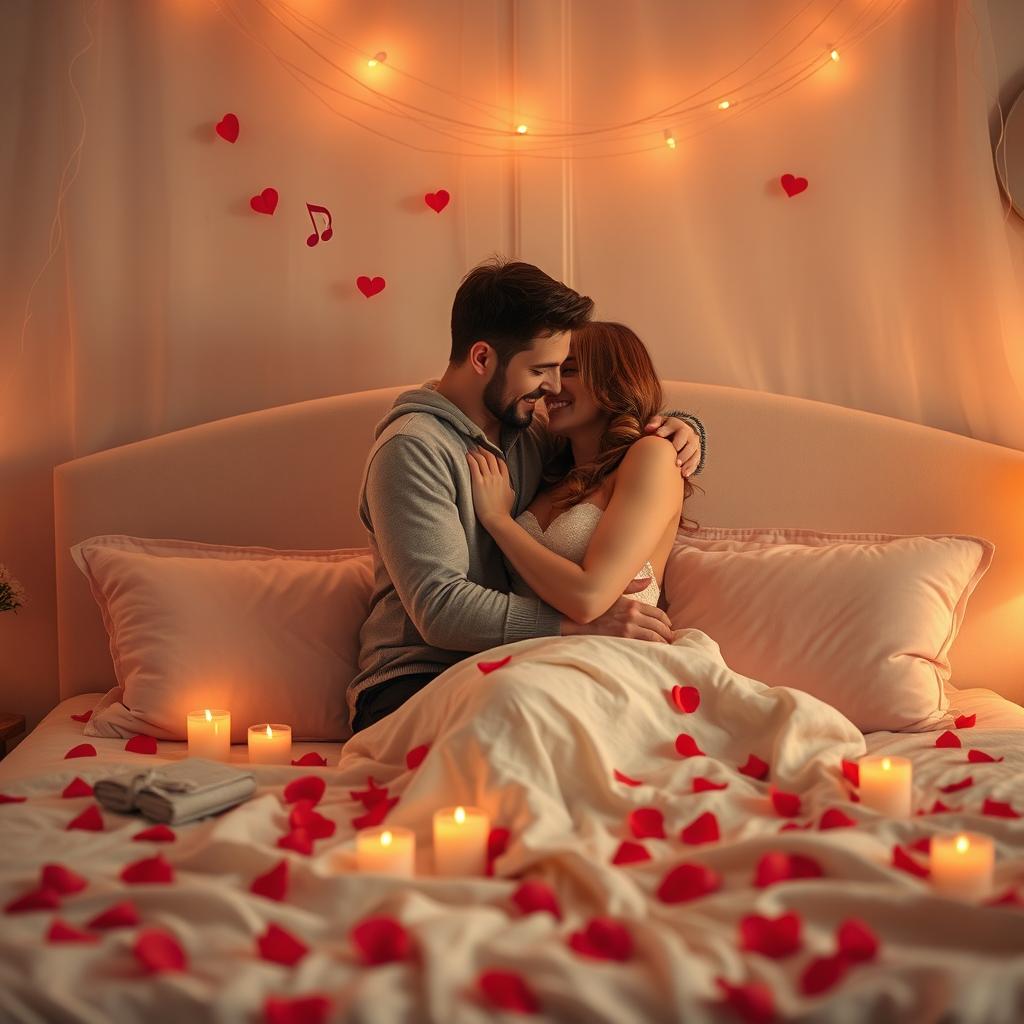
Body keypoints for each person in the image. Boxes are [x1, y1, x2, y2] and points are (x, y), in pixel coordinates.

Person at [348, 257, 707, 734]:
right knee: (530, 725)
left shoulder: (531, 431)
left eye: (562, 369)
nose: (553, 387)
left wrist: (686, 430)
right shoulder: (413, 448)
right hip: (415, 677)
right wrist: (580, 626)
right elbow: (440, 609)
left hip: (518, 666)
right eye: (542, 369)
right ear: (482, 359)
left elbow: (614, 439)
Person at [466, 321, 692, 626]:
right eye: (547, 371)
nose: (551, 387)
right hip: (527, 647)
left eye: (568, 371)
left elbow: (588, 599)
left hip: (615, 652)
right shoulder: (545, 464)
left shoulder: (653, 455)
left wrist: (499, 521)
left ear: (612, 380)